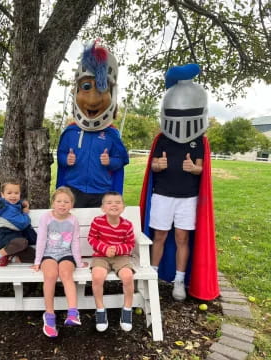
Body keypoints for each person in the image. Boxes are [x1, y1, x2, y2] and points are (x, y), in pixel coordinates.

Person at [139, 64, 219, 302]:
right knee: (160, 237)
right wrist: (157, 165)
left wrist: (196, 169)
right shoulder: (161, 139)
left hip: (188, 197)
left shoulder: (200, 142)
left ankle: (179, 281)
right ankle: (151, 277)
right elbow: (152, 166)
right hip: (162, 195)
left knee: (182, 239)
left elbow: (203, 171)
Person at [56, 42, 129, 207]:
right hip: (73, 189)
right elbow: (60, 156)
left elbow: (121, 159)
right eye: (87, 87)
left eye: (102, 89)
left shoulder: (111, 134)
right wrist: (66, 159)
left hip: (100, 191)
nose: (92, 99)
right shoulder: (70, 131)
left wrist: (109, 161)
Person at [32, 186, 87, 338]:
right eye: (59, 201)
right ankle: (49, 317)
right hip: (48, 254)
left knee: (65, 274)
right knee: (50, 275)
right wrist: (37, 261)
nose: (62, 204)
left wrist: (79, 262)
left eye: (66, 202)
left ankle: (73, 313)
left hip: (66, 254)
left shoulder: (73, 220)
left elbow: (75, 242)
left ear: (72, 205)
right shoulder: (46, 218)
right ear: (53, 203)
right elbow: (41, 240)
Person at [88, 191, 135, 332]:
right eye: (109, 202)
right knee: (97, 276)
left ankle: (127, 309)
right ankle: (100, 309)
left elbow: (130, 243)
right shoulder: (98, 221)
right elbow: (92, 238)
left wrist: (117, 249)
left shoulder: (127, 225)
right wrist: (105, 248)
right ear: (103, 208)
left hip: (121, 257)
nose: (113, 205)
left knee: (127, 276)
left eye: (117, 202)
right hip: (101, 256)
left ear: (123, 207)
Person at [0, 181, 37, 266]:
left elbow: (16, 205)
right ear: (3, 195)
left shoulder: (13, 205)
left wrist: (22, 204)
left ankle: (11, 258)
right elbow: (22, 223)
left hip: (13, 238)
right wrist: (25, 213)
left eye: (16, 193)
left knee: (38, 257)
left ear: (20, 194)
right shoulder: (4, 207)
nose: (13, 196)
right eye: (9, 193)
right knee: (22, 242)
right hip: (3, 236)